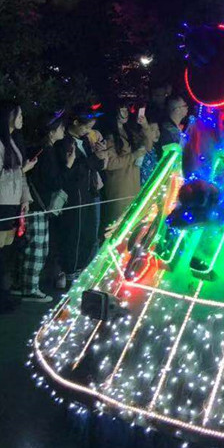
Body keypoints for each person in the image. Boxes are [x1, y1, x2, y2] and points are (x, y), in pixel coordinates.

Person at [0, 101, 36, 313]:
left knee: (4, 255)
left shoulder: (12, 142)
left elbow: (21, 176)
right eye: (19, 115)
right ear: (8, 117)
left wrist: (25, 199)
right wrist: (21, 171)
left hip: (12, 204)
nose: (22, 119)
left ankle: (2, 296)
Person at [12, 110, 68, 301]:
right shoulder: (47, 152)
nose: (63, 130)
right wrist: (68, 166)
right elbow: (52, 182)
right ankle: (30, 288)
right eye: (60, 127)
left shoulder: (38, 149)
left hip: (33, 203)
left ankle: (20, 284)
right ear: (51, 131)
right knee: (37, 248)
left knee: (29, 246)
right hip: (37, 205)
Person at [52, 106, 107, 290]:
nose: (88, 131)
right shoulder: (64, 143)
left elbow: (94, 166)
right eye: (86, 127)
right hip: (74, 197)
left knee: (89, 235)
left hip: (89, 193)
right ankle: (69, 275)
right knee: (74, 237)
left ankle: (80, 272)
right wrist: (92, 160)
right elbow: (70, 171)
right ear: (75, 122)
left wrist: (100, 155)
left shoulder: (85, 141)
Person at [97, 101, 154, 230]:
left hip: (134, 186)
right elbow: (111, 163)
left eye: (126, 110)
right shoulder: (109, 137)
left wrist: (145, 125)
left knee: (132, 227)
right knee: (117, 227)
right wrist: (134, 155)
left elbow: (148, 146)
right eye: (122, 110)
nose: (126, 113)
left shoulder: (129, 132)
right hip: (119, 190)